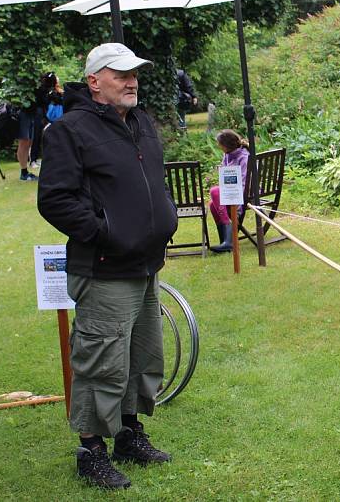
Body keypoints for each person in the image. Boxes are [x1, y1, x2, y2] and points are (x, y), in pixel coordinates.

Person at [37, 43, 179, 490]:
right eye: (120, 74)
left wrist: (164, 217)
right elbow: (55, 199)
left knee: (142, 357)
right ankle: (91, 451)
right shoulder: (69, 130)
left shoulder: (139, 122)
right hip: (103, 268)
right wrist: (107, 233)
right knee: (102, 361)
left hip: (145, 265)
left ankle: (129, 435)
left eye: (134, 72)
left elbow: (152, 181)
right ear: (95, 81)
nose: (131, 81)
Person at [208, 129, 249, 253]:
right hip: (231, 189)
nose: (219, 146)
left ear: (226, 145)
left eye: (220, 144)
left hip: (245, 191)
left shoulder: (244, 157)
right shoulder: (227, 155)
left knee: (215, 191)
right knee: (211, 204)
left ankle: (229, 241)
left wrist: (236, 204)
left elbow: (244, 182)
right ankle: (225, 241)